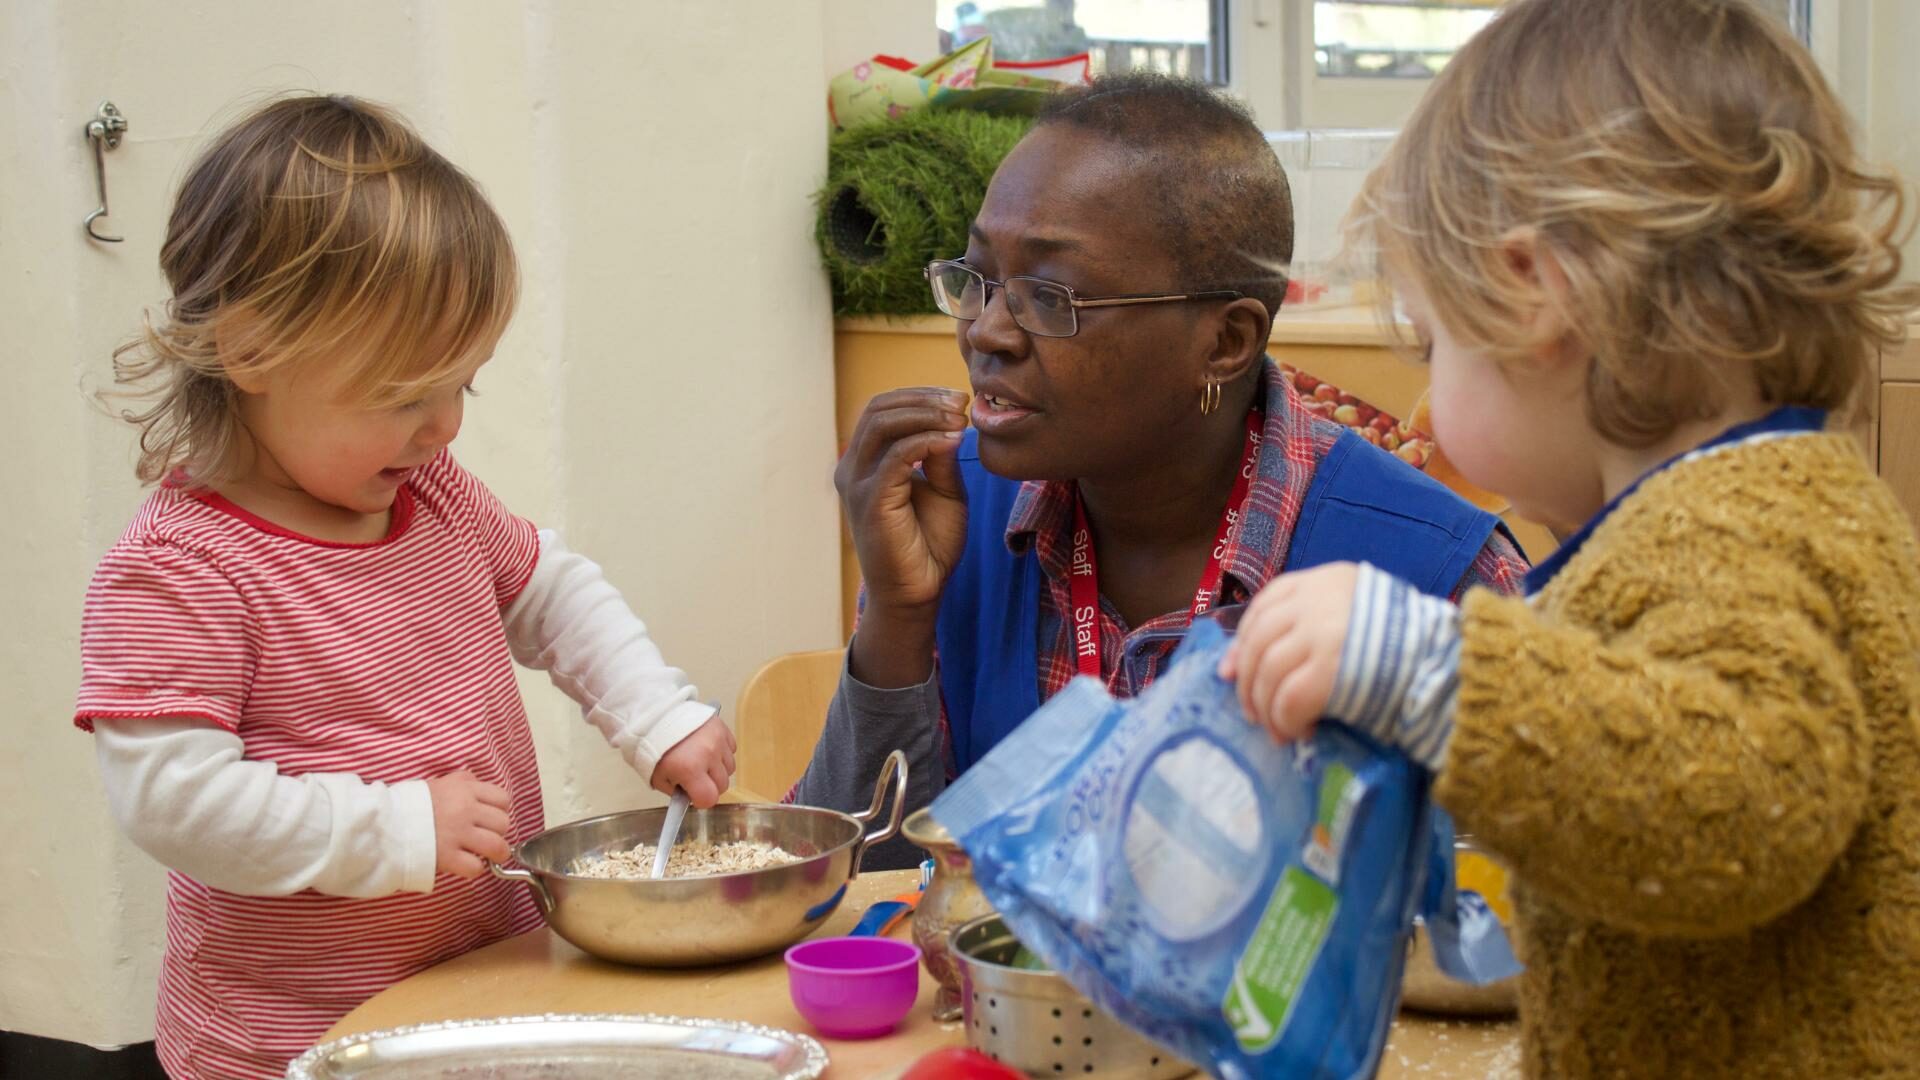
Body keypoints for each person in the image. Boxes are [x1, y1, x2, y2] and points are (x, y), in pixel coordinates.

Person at [1224, 1, 1920, 1075]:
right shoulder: (1749, 503)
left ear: (1534, 296)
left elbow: (1742, 803)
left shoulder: (1738, 530)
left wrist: (1428, 671)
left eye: (1435, 340)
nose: (1421, 411)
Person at [74, 95, 736, 1078]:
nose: (444, 428)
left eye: (460, 386)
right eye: (403, 395)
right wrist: (395, 829)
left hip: (483, 987)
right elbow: (176, 805)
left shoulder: (431, 495)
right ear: (252, 351)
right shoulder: (183, 570)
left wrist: (653, 711)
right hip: (290, 1043)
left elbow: (548, 588)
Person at [794, 74, 1530, 867]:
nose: (989, 333)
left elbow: (1510, 929)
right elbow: (852, 903)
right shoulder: (951, 506)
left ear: (1225, 342)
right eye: (977, 281)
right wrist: (898, 621)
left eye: (1051, 297)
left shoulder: (1439, 580)